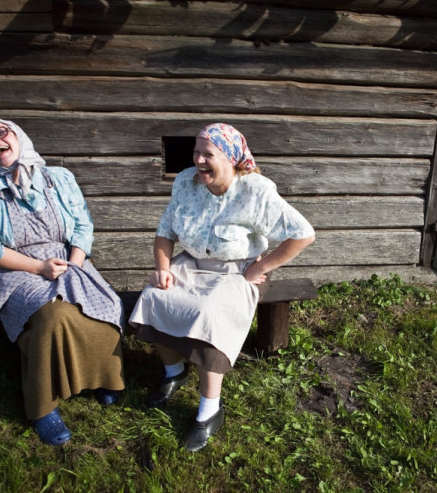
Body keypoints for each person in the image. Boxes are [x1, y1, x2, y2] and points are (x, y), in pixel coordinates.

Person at [129, 123, 315, 451]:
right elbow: (165, 232)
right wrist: (162, 268)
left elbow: (303, 233)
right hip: (192, 263)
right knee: (154, 297)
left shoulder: (255, 191)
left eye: (208, 154)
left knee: (209, 317)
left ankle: (209, 411)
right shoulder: (186, 183)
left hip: (237, 271)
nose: (199, 160)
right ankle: (174, 373)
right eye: (196, 152)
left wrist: (261, 266)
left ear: (231, 159)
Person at [0, 118, 125, 446]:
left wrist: (73, 267)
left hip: (67, 261)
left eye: (1, 133)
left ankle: (104, 378)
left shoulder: (59, 178)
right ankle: (43, 407)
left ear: (18, 137)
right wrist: (39, 268)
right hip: (17, 270)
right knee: (52, 317)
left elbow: (83, 226)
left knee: (105, 307)